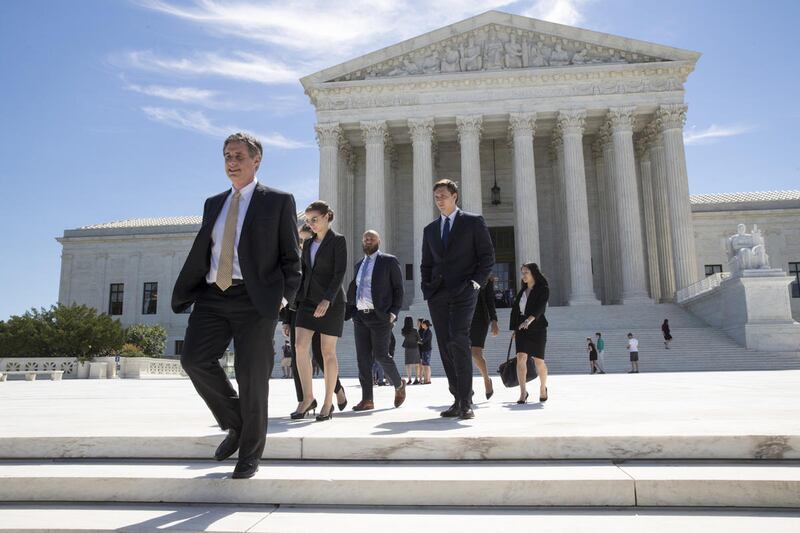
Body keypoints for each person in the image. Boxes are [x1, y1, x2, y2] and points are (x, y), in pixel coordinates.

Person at [173, 132, 301, 479]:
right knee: (194, 359)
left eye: (239, 156)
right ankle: (237, 423)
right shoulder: (213, 203)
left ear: (256, 160)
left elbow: (292, 258)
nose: (232, 162)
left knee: (252, 376)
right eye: (227, 156)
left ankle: (250, 455)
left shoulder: (278, 201)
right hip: (213, 294)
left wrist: (283, 299)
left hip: (255, 298)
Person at [421, 179, 495, 419]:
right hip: (438, 295)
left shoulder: (473, 222)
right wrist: (427, 289)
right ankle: (457, 398)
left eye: (443, 195)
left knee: (459, 340)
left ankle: (466, 400)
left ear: (455, 196)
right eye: (436, 197)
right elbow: (426, 263)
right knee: (444, 345)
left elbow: (487, 257)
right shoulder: (430, 230)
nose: (439, 200)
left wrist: (475, 284)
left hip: (464, 292)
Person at [293, 201, 348, 422]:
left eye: (314, 219)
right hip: (307, 301)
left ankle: (328, 403)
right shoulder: (308, 244)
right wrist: (292, 299)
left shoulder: (338, 241)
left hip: (331, 303)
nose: (311, 224)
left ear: (327, 217)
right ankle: (307, 398)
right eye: (308, 221)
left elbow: (339, 272)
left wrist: (327, 299)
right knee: (299, 347)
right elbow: (304, 274)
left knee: (327, 353)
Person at [282, 225, 346, 412]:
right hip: (299, 307)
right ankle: (305, 399)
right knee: (298, 352)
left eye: (304, 240)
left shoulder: (322, 250)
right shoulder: (295, 258)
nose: (301, 244)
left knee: (321, 353)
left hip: (324, 304)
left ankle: (337, 391)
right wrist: (285, 318)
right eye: (299, 240)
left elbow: (337, 273)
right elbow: (290, 285)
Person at [346, 230, 407, 412]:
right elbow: (355, 289)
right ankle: (367, 400)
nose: (368, 240)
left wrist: (394, 312)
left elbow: (398, 289)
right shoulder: (358, 265)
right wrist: (352, 311)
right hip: (360, 317)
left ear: (379, 240)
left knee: (381, 355)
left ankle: (398, 384)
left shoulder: (388, 261)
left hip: (380, 316)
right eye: (365, 238)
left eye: (372, 238)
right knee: (362, 360)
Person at [509, 263, 549, 404]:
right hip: (521, 328)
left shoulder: (543, 289)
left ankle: (543, 387)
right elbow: (516, 312)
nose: (523, 275)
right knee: (520, 358)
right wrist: (515, 330)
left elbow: (540, 308)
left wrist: (529, 320)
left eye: (526, 272)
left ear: (533, 273)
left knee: (539, 361)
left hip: (537, 328)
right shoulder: (522, 291)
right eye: (522, 272)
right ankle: (522, 392)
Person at [470, 276, 499, 399]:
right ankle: (467, 388)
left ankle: (486, 380)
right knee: (464, 354)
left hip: (480, 319)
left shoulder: (485, 277)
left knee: (476, 354)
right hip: (462, 317)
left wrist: (494, 320)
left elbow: (489, 300)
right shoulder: (461, 270)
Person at [401, 317, 421, 384]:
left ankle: (409, 379)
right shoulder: (415, 330)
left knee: (408, 364)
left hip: (407, 348)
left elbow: (404, 335)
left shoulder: (403, 330)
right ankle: (416, 379)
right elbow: (419, 340)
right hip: (415, 348)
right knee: (416, 364)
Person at [418, 319, 433, 384]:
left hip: (427, 349)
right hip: (425, 349)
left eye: (423, 324)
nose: (422, 325)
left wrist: (418, 341)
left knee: (426, 365)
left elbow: (424, 340)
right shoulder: (425, 331)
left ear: (426, 325)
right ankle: (427, 379)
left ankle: (427, 380)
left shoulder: (428, 332)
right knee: (426, 365)